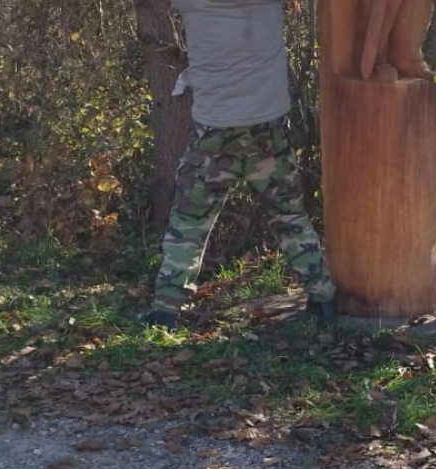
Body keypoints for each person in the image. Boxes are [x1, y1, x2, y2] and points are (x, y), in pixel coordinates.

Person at [141, 0, 337, 331]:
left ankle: (165, 312)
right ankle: (324, 300)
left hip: (216, 131)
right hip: (267, 126)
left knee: (190, 220)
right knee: (289, 215)